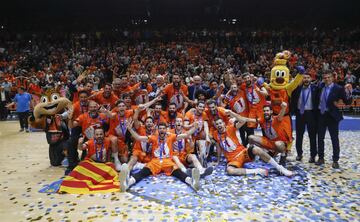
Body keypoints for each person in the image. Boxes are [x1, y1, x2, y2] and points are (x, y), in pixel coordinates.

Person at [120, 121, 201, 192]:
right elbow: (138, 138)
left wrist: (194, 128)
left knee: (177, 172)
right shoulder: (153, 137)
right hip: (155, 161)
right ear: (158, 130)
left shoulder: (171, 136)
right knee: (143, 172)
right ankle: (127, 183)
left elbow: (185, 135)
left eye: (163, 128)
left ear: (166, 129)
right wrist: (130, 129)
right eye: (160, 128)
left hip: (167, 161)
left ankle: (192, 181)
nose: (162, 130)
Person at [213, 110, 294, 177]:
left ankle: (280, 168)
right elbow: (219, 147)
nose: (219, 125)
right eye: (217, 124)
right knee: (230, 171)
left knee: (256, 149)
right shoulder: (216, 134)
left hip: (242, 153)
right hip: (232, 159)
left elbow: (242, 121)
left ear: (224, 123)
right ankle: (256, 171)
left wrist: (232, 113)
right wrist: (218, 160)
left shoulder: (230, 128)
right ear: (215, 126)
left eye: (220, 123)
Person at [316, 72, 353, 168]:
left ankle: (335, 160)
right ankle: (321, 158)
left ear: (332, 78)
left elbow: (347, 101)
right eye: (325, 77)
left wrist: (349, 92)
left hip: (332, 116)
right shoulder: (320, 87)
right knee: (320, 138)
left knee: (334, 139)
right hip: (321, 115)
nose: (327, 79)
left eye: (329, 77)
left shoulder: (338, 88)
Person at [245, 103, 293, 169]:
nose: (265, 112)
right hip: (270, 142)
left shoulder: (277, 119)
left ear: (271, 112)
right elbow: (249, 120)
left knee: (278, 144)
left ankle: (283, 155)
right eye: (264, 111)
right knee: (250, 137)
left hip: (280, 143)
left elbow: (281, 114)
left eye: (267, 111)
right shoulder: (262, 120)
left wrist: (284, 107)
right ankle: (256, 155)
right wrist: (238, 118)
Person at [291, 73, 318, 162]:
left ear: (311, 79)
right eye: (304, 78)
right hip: (300, 114)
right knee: (299, 135)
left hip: (311, 114)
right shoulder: (297, 88)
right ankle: (299, 154)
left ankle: (313, 155)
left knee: (312, 136)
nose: (306, 79)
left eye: (308, 78)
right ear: (302, 79)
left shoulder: (315, 88)